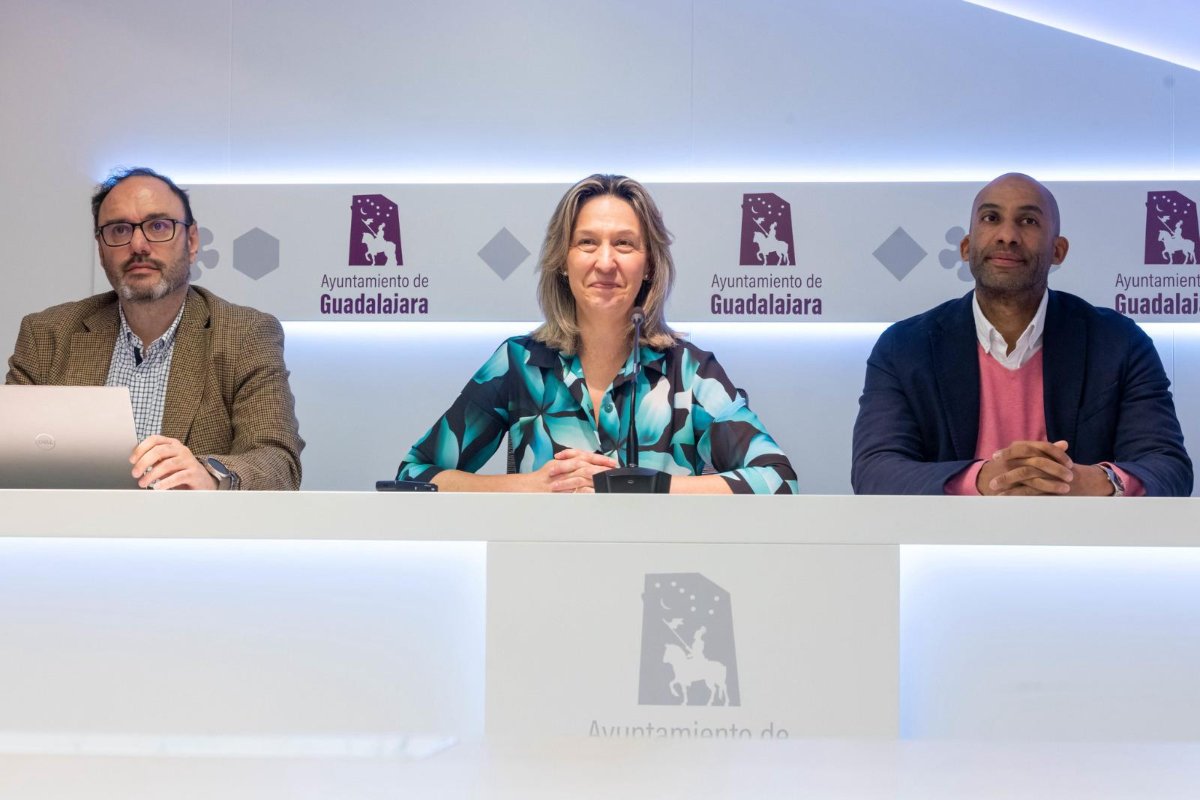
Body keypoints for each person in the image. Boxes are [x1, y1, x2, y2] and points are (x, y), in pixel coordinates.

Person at [398, 174, 797, 494]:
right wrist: (530, 487)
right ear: (562, 262)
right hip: (538, 582)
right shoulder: (518, 363)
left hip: (658, 583)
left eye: (624, 244)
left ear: (650, 266)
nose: (605, 262)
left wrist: (647, 489)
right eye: (587, 243)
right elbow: (412, 477)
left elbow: (778, 481)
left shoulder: (688, 370)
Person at [852, 172, 1192, 497]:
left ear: (1058, 250)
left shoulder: (1119, 342)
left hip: (1082, 546)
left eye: (1028, 221)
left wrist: (1095, 482)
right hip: (945, 547)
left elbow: (1167, 467)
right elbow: (875, 470)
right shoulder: (904, 347)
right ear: (967, 247)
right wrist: (983, 479)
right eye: (990, 218)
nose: (1007, 236)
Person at [5, 167, 303, 490]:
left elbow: (277, 460)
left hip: (186, 536)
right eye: (119, 230)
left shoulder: (245, 335)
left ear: (191, 241)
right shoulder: (48, 335)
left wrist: (212, 478)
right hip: (68, 534)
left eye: (158, 226)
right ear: (101, 250)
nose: (138, 245)